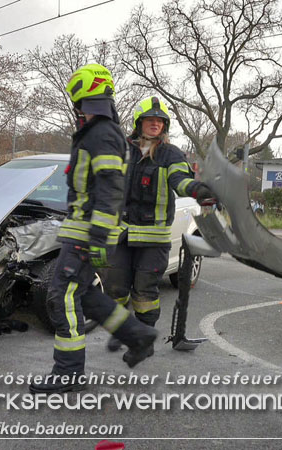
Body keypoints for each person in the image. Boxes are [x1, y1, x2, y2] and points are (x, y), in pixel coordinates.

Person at [30, 64, 157, 394]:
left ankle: (68, 373)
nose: (77, 112)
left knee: (61, 297)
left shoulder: (100, 133)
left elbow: (111, 187)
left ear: (83, 100)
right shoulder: (100, 132)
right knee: (83, 294)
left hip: (87, 232)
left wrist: (98, 235)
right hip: (83, 228)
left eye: (77, 105)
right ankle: (137, 335)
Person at [104, 96, 217, 358]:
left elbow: (180, 179)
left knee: (144, 293)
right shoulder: (124, 151)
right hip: (122, 235)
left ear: (164, 126)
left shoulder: (170, 154)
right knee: (116, 290)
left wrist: (198, 190)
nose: (154, 124)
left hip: (153, 238)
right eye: (150, 119)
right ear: (139, 122)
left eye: (159, 120)